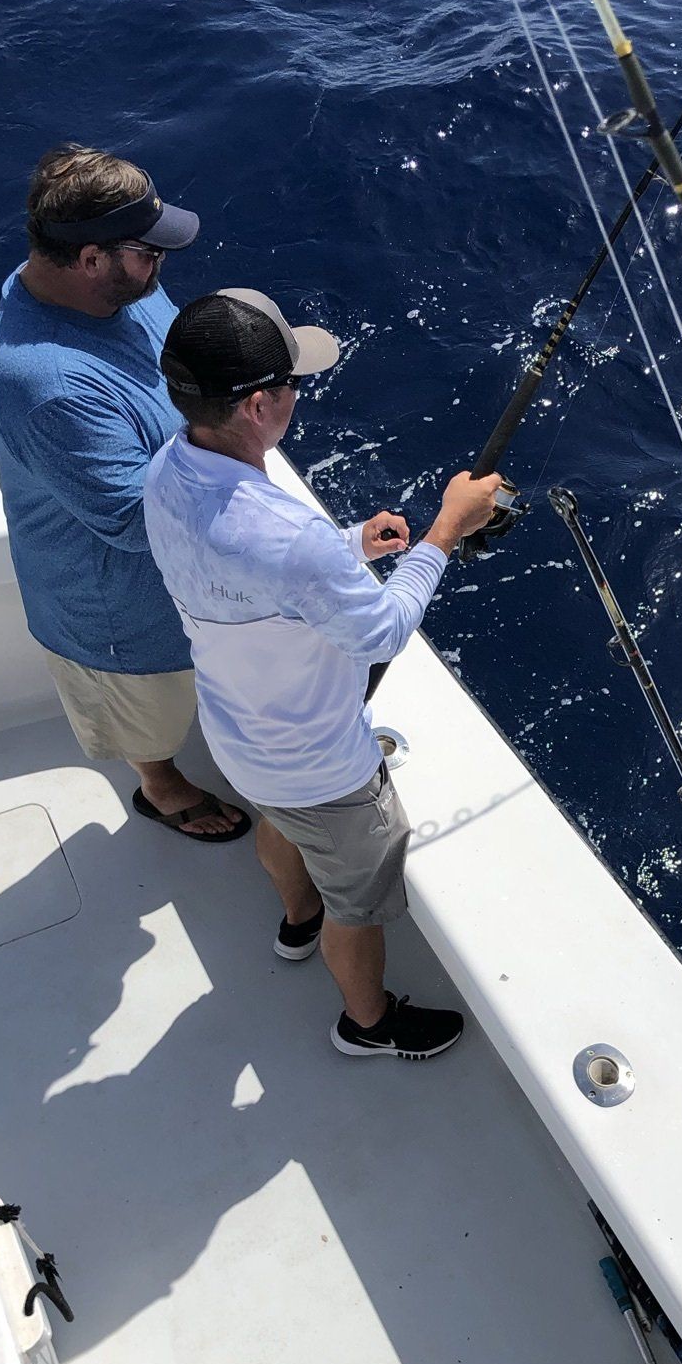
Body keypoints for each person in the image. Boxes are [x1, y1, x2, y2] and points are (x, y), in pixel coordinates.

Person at [144, 290, 502, 1063]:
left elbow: (244, 568)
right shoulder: (288, 538)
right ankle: (367, 1024)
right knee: (358, 904)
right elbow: (381, 632)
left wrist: (350, 547)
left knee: (280, 825)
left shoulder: (165, 471)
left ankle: (296, 921)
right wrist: (447, 528)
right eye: (291, 382)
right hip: (324, 771)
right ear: (258, 405)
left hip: (239, 740)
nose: (297, 393)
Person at [0, 143, 248, 844]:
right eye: (148, 252)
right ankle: (160, 787)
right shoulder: (50, 387)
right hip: (122, 610)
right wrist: (245, 434)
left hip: (187, 567)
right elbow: (138, 524)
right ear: (89, 258)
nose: (161, 265)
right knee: (148, 716)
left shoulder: (110, 285)